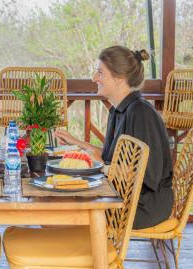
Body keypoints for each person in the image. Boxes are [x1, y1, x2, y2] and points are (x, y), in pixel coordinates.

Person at [54, 46, 173, 229]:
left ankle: (95, 255)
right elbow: (111, 157)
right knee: (59, 203)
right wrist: (76, 142)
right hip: (122, 195)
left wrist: (101, 163)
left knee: (61, 213)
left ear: (120, 78)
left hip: (142, 206)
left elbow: (146, 175)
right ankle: (86, 254)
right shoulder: (118, 110)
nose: (94, 78)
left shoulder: (141, 113)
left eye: (100, 73)